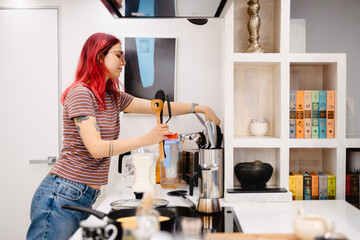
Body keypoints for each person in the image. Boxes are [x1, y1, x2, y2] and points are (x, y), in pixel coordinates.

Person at [26, 32, 220, 240]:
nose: (124, 62)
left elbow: (159, 107)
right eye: (118, 56)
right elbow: (97, 148)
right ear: (99, 57)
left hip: (82, 194)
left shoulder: (112, 97)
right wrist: (147, 139)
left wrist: (198, 108)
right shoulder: (81, 93)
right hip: (62, 193)